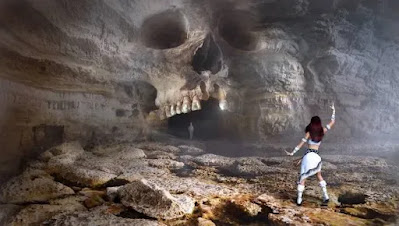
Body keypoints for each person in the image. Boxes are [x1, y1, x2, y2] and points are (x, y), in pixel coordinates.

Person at [285, 103, 336, 206]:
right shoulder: (322, 131)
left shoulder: (309, 132)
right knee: (319, 175)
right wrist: (333, 110)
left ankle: (299, 199)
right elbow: (332, 122)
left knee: (303, 177)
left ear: (312, 123)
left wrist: (292, 153)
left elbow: (301, 143)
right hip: (316, 156)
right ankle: (325, 195)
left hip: (308, 155)